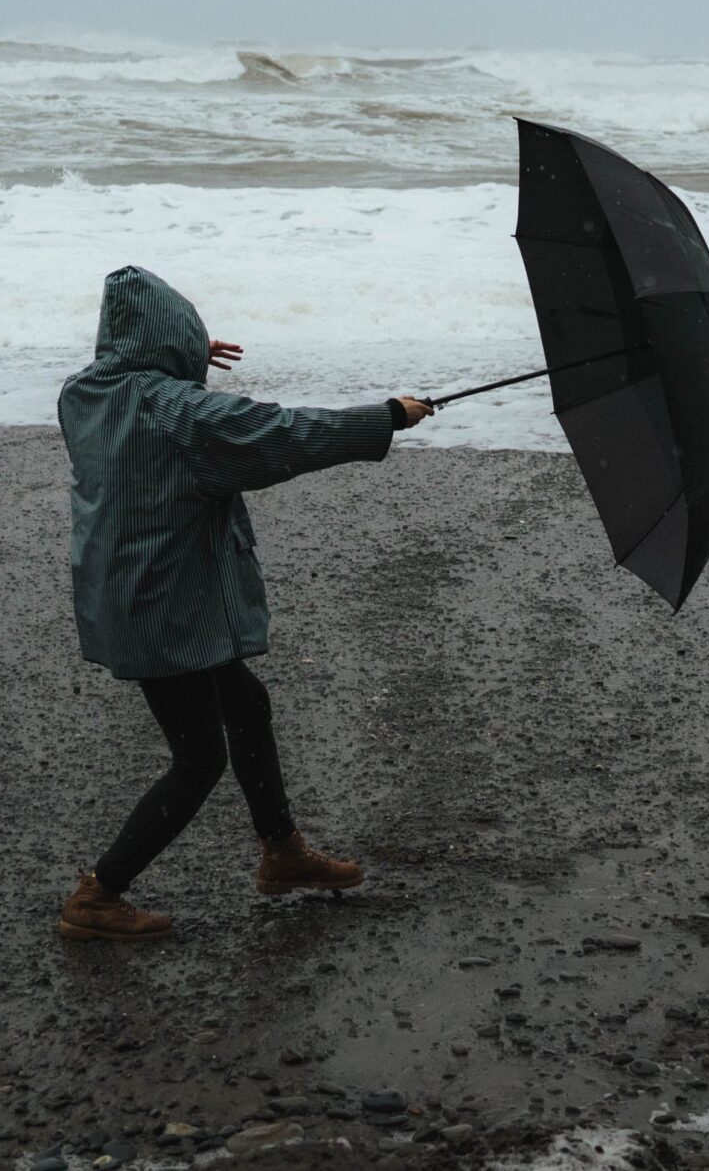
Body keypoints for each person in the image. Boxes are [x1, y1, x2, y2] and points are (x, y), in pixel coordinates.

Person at [54, 265, 435, 941]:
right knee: (199, 758)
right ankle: (99, 894)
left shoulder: (85, 395)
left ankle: (282, 852)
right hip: (164, 608)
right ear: (169, 342)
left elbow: (144, 384)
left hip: (129, 592)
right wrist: (386, 418)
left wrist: (181, 356)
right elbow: (283, 434)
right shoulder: (180, 413)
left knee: (245, 703)